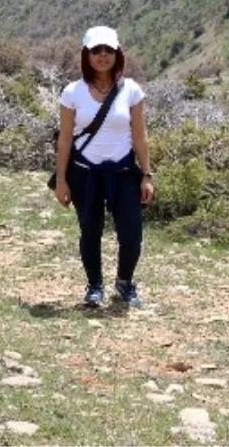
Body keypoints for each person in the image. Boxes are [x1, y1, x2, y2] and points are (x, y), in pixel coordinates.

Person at [53, 26, 155, 308]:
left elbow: (139, 135)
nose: (103, 56)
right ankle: (94, 286)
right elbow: (64, 139)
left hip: (123, 171)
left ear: (117, 53)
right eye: (96, 50)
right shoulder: (73, 92)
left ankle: (124, 282)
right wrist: (61, 179)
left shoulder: (131, 90)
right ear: (86, 55)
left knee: (132, 233)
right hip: (85, 173)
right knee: (90, 230)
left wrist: (146, 174)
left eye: (108, 50)